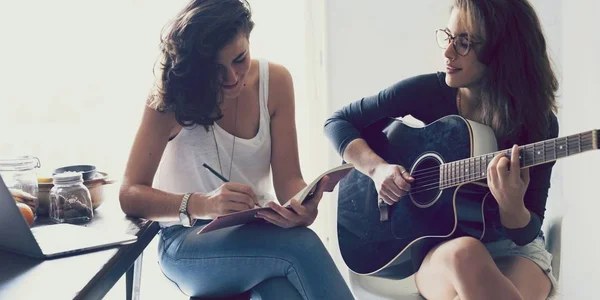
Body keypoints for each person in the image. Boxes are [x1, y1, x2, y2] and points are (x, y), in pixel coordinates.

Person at [324, 0, 559, 299]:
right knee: (466, 253)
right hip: (440, 251)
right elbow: (338, 122)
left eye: (463, 43)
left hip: (512, 248)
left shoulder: (537, 123)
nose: (447, 52)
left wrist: (512, 206)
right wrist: (377, 168)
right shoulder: (428, 92)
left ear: (502, 50)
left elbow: (526, 232)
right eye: (448, 37)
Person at [119, 1, 354, 299]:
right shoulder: (170, 98)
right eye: (215, 69)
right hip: (187, 241)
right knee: (301, 245)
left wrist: (303, 208)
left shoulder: (275, 82)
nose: (231, 78)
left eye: (239, 59)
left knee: (282, 290)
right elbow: (130, 195)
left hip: (258, 232)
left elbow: (288, 182)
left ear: (249, 38)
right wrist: (203, 204)